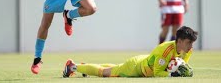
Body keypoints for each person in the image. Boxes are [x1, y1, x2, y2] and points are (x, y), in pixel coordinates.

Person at [62, 26, 197, 78]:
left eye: (192, 42)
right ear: (179, 40)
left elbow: (181, 66)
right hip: (135, 68)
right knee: (105, 73)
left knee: (113, 68)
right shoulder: (165, 50)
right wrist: (172, 76)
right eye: (188, 42)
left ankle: (87, 66)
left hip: (143, 62)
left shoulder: (187, 50)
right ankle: (72, 66)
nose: (191, 46)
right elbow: (157, 73)